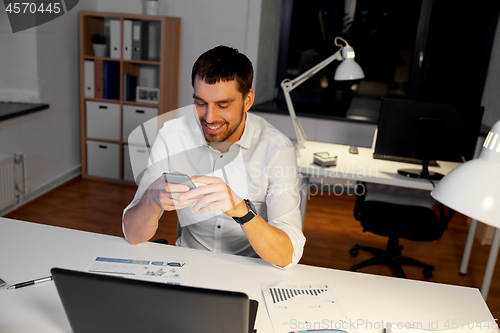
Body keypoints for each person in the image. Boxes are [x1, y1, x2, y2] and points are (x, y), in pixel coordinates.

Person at [122, 45, 305, 269]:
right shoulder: (172, 135)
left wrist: (242, 210)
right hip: (187, 267)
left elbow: (289, 254)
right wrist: (151, 198)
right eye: (200, 103)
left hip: (250, 269)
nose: (210, 117)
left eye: (223, 105)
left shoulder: (277, 149)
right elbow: (133, 235)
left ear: (248, 100)